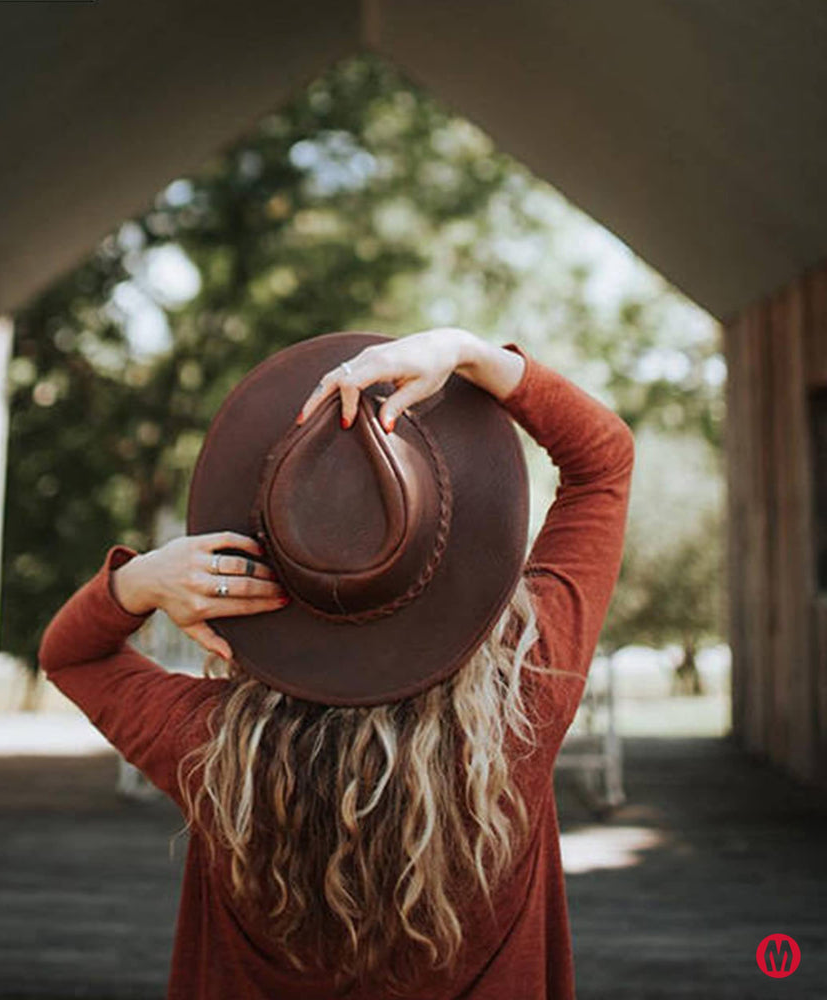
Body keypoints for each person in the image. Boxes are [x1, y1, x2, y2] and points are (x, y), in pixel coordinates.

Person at [38, 327, 635, 999]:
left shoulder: (215, 750)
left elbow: (71, 657)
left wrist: (138, 583)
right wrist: (470, 354)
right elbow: (603, 463)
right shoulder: (521, 708)